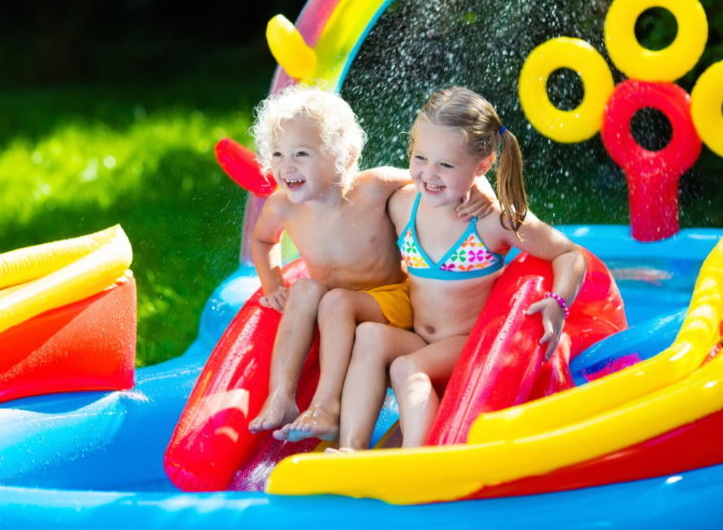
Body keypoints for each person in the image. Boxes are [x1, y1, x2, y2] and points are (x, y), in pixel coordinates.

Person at [331, 86, 586, 452]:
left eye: (446, 165)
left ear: (482, 166)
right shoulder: (403, 204)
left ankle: (413, 462)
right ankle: (351, 450)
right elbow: (348, 198)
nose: (429, 175)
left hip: (468, 347)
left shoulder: (493, 221)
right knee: (369, 336)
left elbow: (569, 253)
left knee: (406, 368)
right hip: (420, 338)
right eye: (420, 157)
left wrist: (558, 303)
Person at [245, 85, 496, 442]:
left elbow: (437, 175)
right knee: (303, 290)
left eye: (302, 154)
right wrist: (272, 286)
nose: (287, 167)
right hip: (337, 309)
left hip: (393, 302)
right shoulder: (282, 206)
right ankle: (281, 396)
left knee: (334, 300)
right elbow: (262, 239)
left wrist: (481, 187)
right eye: (278, 154)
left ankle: (327, 405)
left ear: (344, 154)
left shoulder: (374, 188)